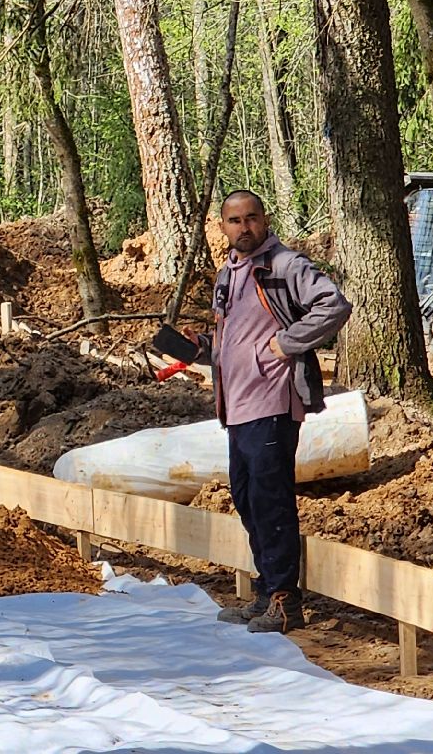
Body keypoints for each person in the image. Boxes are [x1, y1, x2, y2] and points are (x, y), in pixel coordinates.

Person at [173, 190, 352, 634]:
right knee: (247, 498)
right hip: (236, 406)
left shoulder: (285, 265)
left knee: (271, 502)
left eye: (252, 218)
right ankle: (265, 590)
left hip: (272, 401)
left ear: (264, 219)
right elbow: (232, 340)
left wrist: (286, 343)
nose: (244, 227)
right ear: (224, 227)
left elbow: (334, 304)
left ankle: (285, 601)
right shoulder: (228, 274)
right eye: (235, 220)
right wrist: (198, 348)